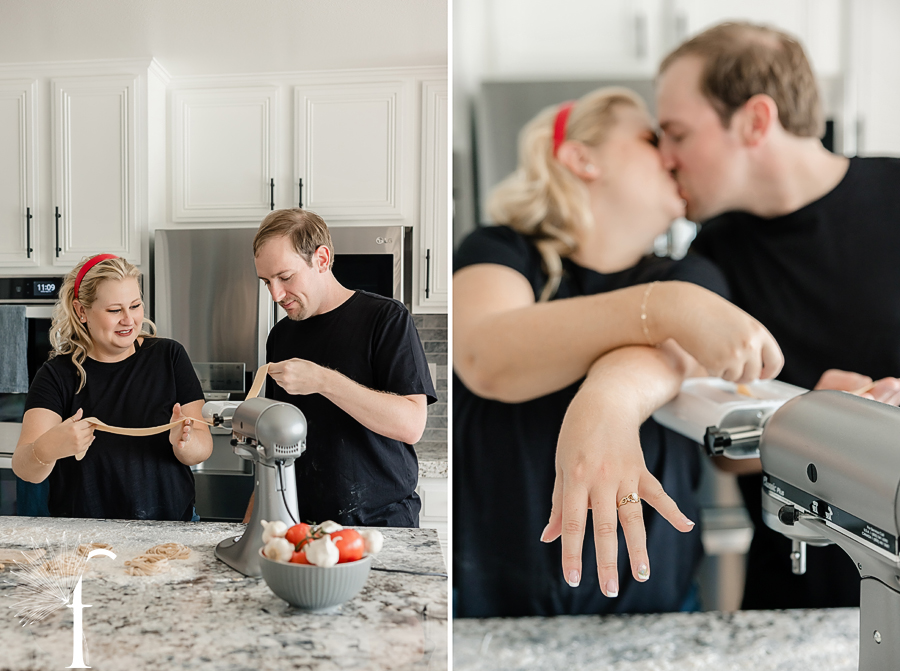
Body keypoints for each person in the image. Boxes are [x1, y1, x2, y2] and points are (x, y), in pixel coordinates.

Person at [453, 87, 784, 617]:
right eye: (653, 138)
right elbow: (486, 358)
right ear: (582, 158)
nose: (673, 154)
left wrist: (607, 399)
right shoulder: (498, 249)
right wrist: (665, 308)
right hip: (492, 607)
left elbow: (669, 358)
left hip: (659, 610)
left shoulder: (692, 274)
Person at [656, 22, 900, 609]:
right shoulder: (712, 257)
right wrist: (811, 426)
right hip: (791, 591)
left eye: (677, 133)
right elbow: (723, 450)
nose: (664, 158)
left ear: (755, 121)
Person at [250, 208, 436, 527]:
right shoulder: (281, 336)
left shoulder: (386, 319)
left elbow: (411, 425)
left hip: (380, 524)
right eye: (267, 282)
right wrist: (250, 523)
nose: (275, 294)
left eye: (285, 277)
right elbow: (274, 443)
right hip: (301, 524)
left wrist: (323, 380)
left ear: (321, 259)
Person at [12, 255, 212, 521]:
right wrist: (48, 448)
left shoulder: (169, 356)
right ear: (82, 311)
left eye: (135, 306)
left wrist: (185, 442)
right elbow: (24, 468)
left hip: (171, 527)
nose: (129, 320)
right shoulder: (56, 375)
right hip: (85, 534)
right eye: (115, 310)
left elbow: (203, 446)